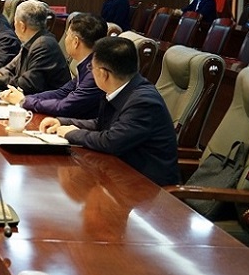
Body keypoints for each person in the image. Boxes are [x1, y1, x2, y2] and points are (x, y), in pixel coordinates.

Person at [39, 36, 179, 186]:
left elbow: (111, 141)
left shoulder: (143, 102)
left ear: (103, 73)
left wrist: (71, 133)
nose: (91, 72)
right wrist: (62, 122)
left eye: (91, 68)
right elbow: (102, 123)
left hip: (149, 186)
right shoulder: (123, 89)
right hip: (122, 173)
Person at [1, 13, 107, 118]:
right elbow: (62, 92)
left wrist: (24, 101)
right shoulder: (87, 65)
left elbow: (65, 107)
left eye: (67, 35)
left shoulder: (95, 72)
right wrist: (26, 98)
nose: (65, 39)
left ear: (76, 42)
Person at [0, 0, 71, 94]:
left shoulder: (43, 45)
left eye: (15, 22)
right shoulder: (32, 41)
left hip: (48, 101)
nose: (13, 26)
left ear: (22, 26)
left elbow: (26, 85)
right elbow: (10, 68)